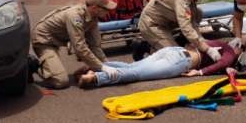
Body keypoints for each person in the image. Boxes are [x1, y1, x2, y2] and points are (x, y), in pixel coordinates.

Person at [29, 0, 120, 89]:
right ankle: (32, 65)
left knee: (98, 63)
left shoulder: (93, 17)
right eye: (106, 8)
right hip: (43, 40)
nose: (108, 11)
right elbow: (80, 48)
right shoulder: (75, 16)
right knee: (61, 82)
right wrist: (102, 67)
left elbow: (94, 45)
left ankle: (49, 65)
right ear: (95, 7)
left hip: (57, 39)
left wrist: (106, 64)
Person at [133, 0, 220, 62]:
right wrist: (207, 49)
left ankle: (181, 40)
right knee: (178, 56)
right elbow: (186, 27)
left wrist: (201, 41)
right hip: (151, 24)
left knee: (198, 13)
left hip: (166, 20)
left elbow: (192, 21)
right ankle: (143, 47)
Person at [77, 40, 236, 88]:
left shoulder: (218, 43)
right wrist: (200, 73)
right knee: (136, 74)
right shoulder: (230, 52)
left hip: (173, 50)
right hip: (181, 61)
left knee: (133, 66)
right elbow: (222, 64)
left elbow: (223, 65)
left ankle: (96, 66)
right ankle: (96, 77)